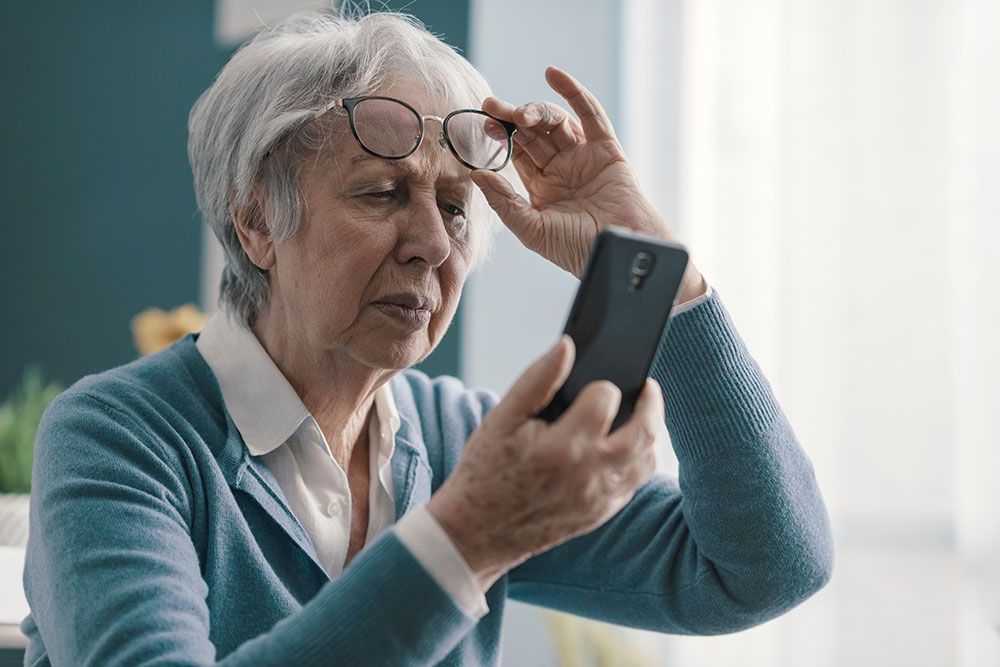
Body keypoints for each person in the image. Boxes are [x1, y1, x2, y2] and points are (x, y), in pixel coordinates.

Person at [21, 9, 833, 665]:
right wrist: (472, 536)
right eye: (381, 192)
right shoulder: (118, 439)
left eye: (453, 205)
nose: (434, 245)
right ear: (258, 220)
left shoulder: (456, 440)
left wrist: (656, 269)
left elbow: (763, 569)